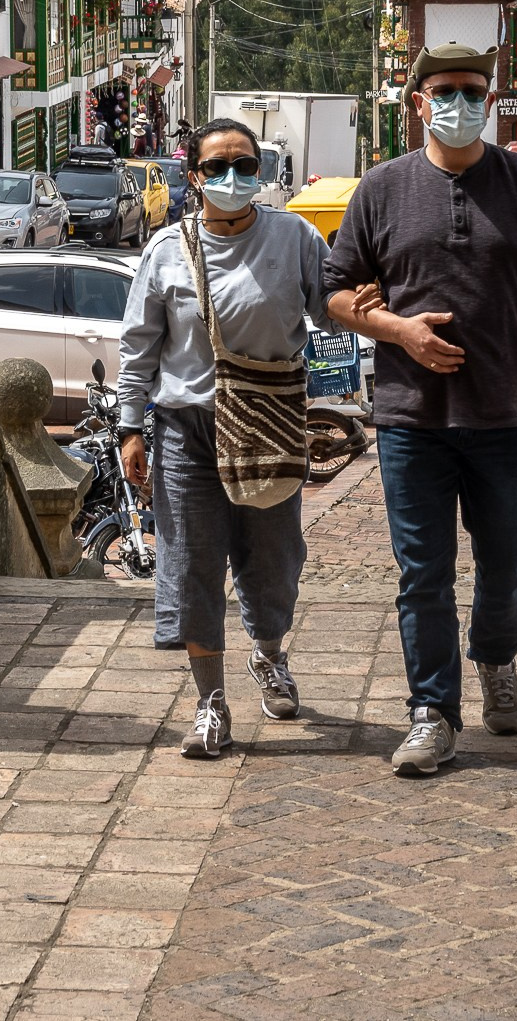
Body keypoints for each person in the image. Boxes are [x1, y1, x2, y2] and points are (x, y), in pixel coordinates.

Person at [325, 42, 517, 777]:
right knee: (423, 573)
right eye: (445, 90)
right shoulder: (381, 189)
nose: (460, 103)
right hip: (412, 421)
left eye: (474, 91)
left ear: (491, 101)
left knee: (509, 565)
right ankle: (432, 711)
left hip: (505, 417)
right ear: (417, 101)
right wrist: (397, 329)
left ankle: (496, 659)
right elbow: (337, 290)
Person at [118, 118, 332, 758]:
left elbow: (334, 305)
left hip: (270, 422)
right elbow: (139, 349)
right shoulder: (166, 251)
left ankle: (269, 655)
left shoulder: (294, 237)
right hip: (188, 431)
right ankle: (209, 700)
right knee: (191, 564)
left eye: (245, 164)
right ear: (195, 177)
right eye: (217, 167)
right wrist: (130, 428)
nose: (233, 178)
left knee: (272, 557)